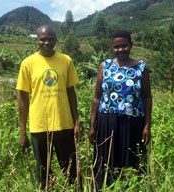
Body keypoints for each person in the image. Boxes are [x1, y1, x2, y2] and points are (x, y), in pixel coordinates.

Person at [16, 24, 80, 189]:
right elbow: (22, 98)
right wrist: (22, 132)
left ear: (55, 40)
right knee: (43, 173)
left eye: (50, 39)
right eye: (43, 39)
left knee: (72, 172)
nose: (46, 42)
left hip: (63, 124)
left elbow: (71, 92)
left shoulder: (66, 60)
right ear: (36, 40)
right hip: (39, 127)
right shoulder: (28, 64)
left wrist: (76, 122)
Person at [89, 30, 152, 189]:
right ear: (112, 47)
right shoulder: (105, 66)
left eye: (124, 46)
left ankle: (131, 188)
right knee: (106, 161)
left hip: (133, 124)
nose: (120, 49)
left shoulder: (141, 67)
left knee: (132, 162)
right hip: (107, 123)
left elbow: (147, 97)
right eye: (116, 47)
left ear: (131, 46)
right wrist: (92, 125)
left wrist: (147, 125)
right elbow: (97, 97)